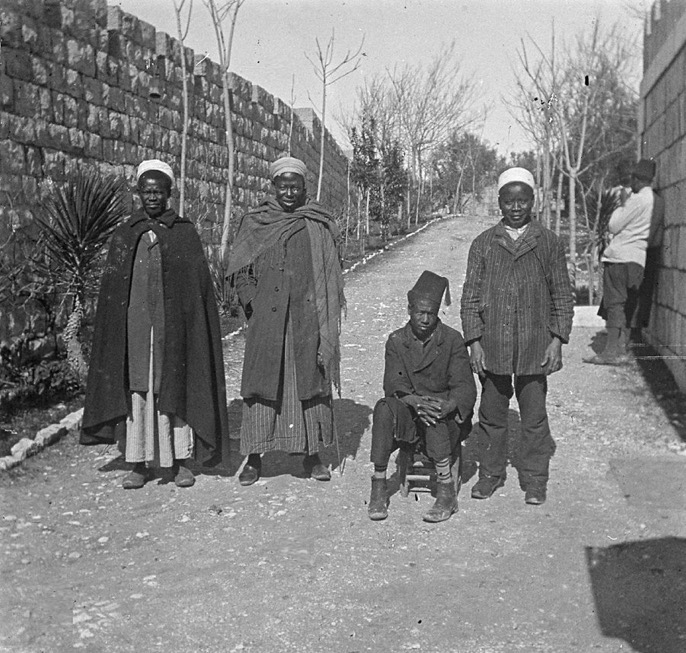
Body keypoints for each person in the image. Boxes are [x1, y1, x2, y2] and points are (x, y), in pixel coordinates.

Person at [80, 159, 230, 489]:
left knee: (173, 385)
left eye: (158, 192)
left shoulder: (184, 233)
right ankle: (138, 461)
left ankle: (177, 461)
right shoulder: (125, 233)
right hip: (135, 329)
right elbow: (112, 289)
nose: (152, 197)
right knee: (139, 390)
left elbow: (197, 290)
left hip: (173, 328)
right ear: (138, 193)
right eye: (146, 191)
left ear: (169, 194)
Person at [227, 156, 345, 486]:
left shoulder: (317, 223)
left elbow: (332, 272)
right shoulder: (256, 222)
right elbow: (240, 271)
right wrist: (254, 303)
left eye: (296, 186)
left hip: (307, 322)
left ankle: (311, 456)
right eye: (283, 186)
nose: (289, 192)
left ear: (305, 187)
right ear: (273, 186)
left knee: (307, 383)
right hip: (267, 322)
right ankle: (254, 457)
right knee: (262, 385)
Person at [460, 167, 574, 505]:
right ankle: (491, 474)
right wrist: (475, 342)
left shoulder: (548, 243)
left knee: (534, 420)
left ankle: (535, 481)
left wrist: (557, 340)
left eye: (522, 200)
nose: (515, 207)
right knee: (491, 417)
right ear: (499, 202)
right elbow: (469, 299)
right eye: (509, 201)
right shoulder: (483, 244)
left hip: (534, 349)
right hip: (493, 346)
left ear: (532, 201)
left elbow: (562, 296)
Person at [367, 271, 476, 523]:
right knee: (383, 408)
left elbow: (465, 386)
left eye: (431, 313)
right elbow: (394, 383)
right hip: (410, 414)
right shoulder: (396, 341)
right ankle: (379, 485)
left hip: (443, 420)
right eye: (420, 312)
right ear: (409, 309)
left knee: (433, 413)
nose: (425, 319)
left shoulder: (451, 340)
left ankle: (447, 492)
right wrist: (415, 402)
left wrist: (449, 405)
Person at [586, 159, 657, 365]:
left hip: (620, 258)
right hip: (638, 259)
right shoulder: (652, 199)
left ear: (637, 179)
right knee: (627, 305)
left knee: (614, 304)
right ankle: (621, 349)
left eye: (632, 179)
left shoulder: (636, 199)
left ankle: (610, 353)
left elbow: (614, 225)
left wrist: (622, 203)